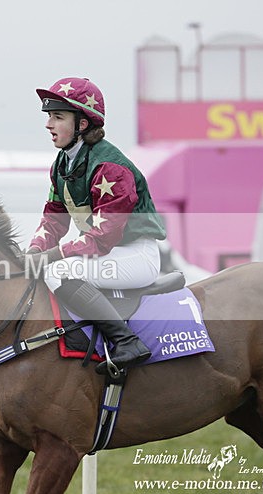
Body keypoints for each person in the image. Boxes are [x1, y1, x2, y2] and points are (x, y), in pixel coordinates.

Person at [28, 77, 167, 374]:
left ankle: (127, 342)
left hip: (135, 256)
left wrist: (50, 256)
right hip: (108, 254)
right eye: (49, 116)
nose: (49, 124)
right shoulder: (62, 164)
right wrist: (32, 252)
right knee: (39, 267)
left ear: (81, 124)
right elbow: (53, 219)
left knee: (58, 270)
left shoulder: (110, 168)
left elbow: (102, 239)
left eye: (58, 117)